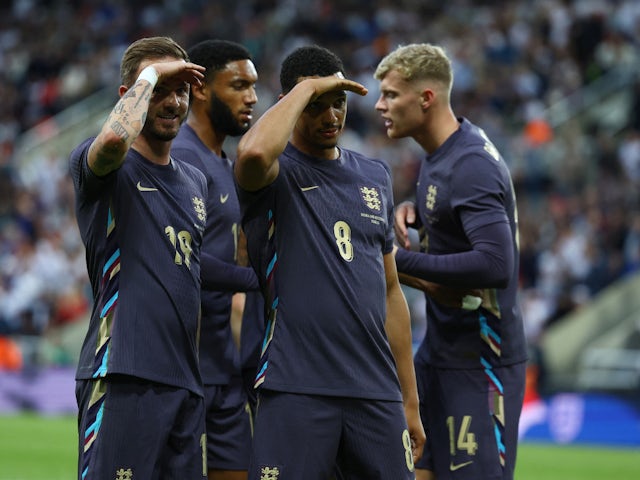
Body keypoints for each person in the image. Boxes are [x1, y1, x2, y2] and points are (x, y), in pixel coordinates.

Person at [234, 44, 425, 480]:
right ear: (291, 104)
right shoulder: (275, 173)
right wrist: (308, 89)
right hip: (295, 385)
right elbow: (251, 156)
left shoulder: (374, 175)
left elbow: (391, 289)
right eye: (317, 105)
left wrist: (409, 402)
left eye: (338, 103)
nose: (331, 116)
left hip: (374, 390)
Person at [374, 43, 528, 480]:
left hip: (480, 361)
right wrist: (415, 209)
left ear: (426, 98)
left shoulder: (471, 164)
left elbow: (496, 264)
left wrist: (398, 260)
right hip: (440, 353)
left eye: (390, 95)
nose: (381, 106)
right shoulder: (443, 154)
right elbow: (457, 214)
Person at [68, 36, 208, 479]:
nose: (172, 101)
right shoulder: (104, 163)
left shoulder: (195, 182)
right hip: (121, 370)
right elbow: (113, 139)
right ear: (127, 96)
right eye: (160, 89)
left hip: (185, 382)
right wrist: (148, 77)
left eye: (180, 89)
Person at [171, 39, 260, 480]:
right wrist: (261, 278)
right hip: (188, 369)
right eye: (239, 85)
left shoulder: (224, 163)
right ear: (201, 88)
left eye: (254, 86)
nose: (252, 97)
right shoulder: (182, 158)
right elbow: (187, 261)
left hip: (223, 367)